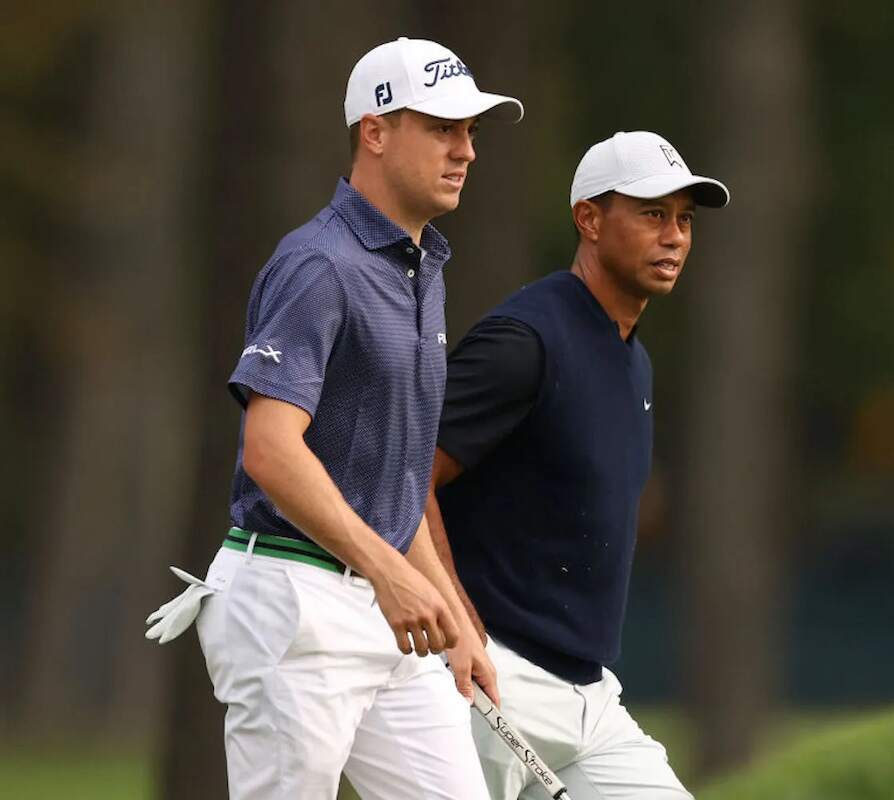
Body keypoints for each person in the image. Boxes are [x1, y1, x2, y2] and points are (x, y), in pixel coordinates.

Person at [145, 37, 521, 800]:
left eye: (471, 131)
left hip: (387, 613)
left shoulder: (424, 272)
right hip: (292, 604)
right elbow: (270, 451)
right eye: (443, 128)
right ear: (375, 131)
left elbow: (393, 474)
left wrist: (450, 613)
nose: (466, 151)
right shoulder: (319, 265)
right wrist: (392, 578)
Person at [426, 131, 730, 799]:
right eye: (652, 214)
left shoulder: (634, 358)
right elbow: (405, 475)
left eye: (684, 219)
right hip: (488, 677)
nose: (675, 237)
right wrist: (452, 618)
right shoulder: (524, 343)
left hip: (590, 697)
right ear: (588, 219)